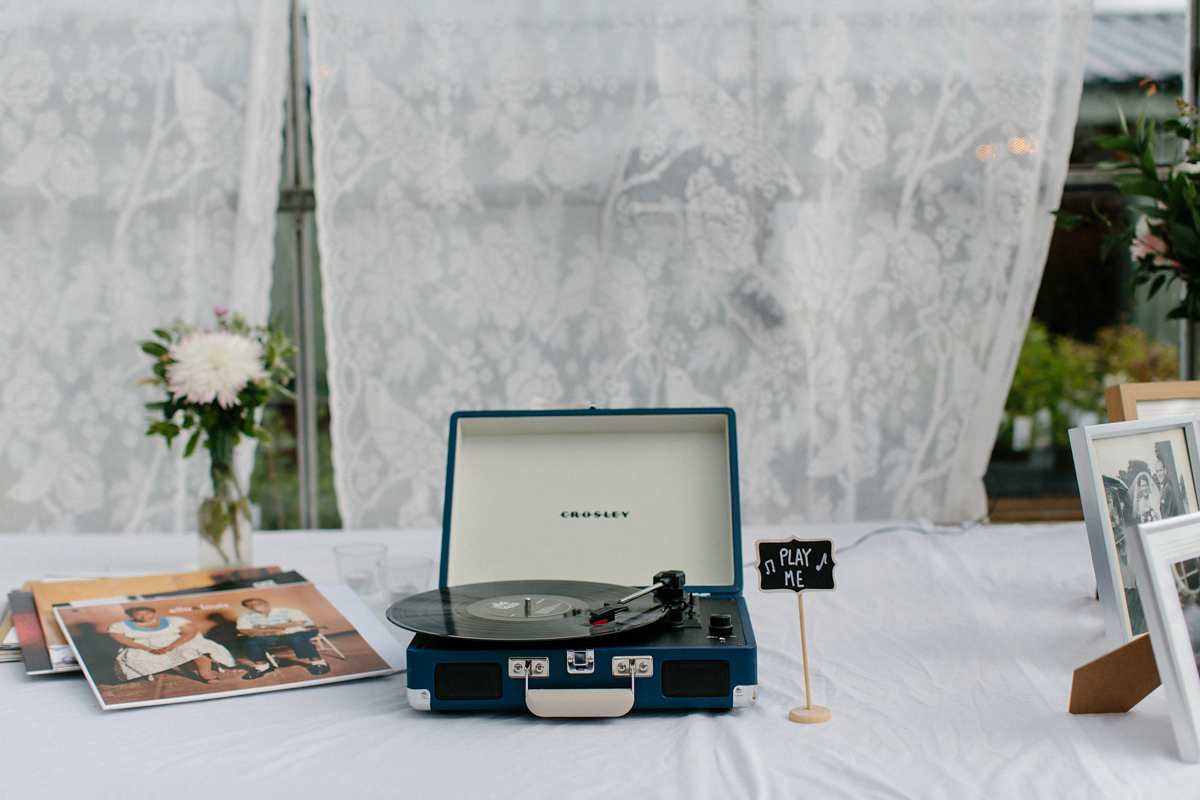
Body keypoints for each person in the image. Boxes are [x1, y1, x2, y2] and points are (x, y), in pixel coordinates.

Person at [107, 606, 235, 684]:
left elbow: (190, 632)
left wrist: (171, 646)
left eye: (147, 612)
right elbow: (123, 640)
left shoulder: (173, 620)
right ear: (131, 615)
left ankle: (206, 673)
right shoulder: (120, 625)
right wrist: (149, 649)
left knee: (196, 649)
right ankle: (177, 668)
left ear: (153, 612)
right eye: (139, 614)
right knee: (132, 657)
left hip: (177, 642)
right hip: (142, 646)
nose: (144, 615)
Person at [236, 598, 330, 678]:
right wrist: (273, 630)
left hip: (298, 631)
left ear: (266, 603)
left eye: (257, 604)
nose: (255, 607)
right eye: (250, 606)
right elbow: (243, 630)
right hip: (271, 635)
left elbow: (299, 623)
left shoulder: (287, 611)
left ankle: (318, 663)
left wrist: (264, 627)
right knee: (250, 643)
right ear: (247, 608)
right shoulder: (245, 617)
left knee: (296, 639)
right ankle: (263, 666)